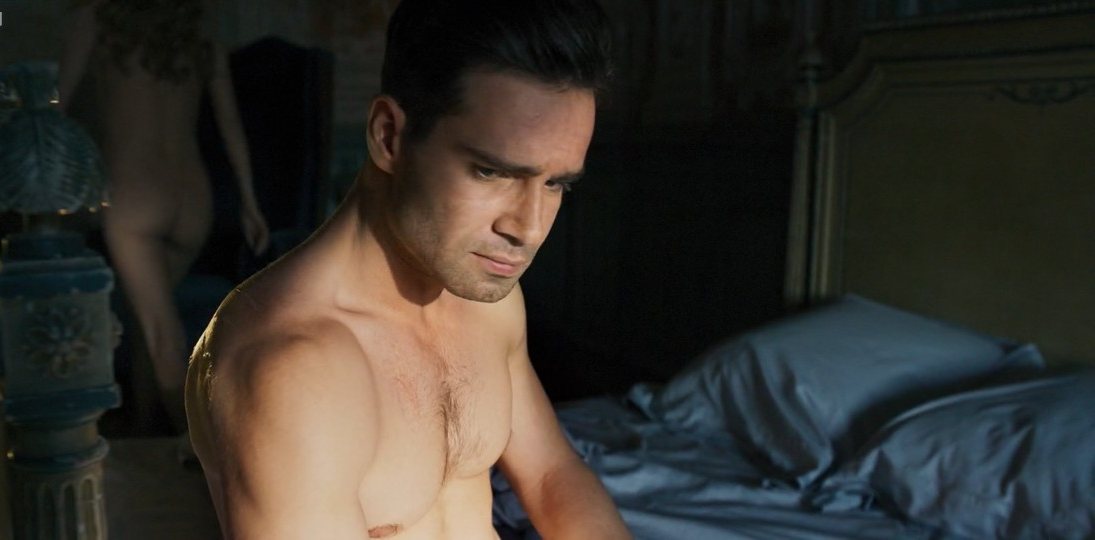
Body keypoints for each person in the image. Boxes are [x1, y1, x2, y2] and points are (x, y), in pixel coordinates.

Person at [185, 0, 631, 537]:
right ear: (388, 137)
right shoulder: (295, 367)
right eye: (490, 172)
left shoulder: (485, 299)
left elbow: (552, 477)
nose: (529, 229)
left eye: (555, 183)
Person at [59, 0, 270, 431]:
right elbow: (231, 126)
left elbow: (55, 104)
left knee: (161, 334)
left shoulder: (96, 17)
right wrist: (250, 203)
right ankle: (148, 433)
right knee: (149, 323)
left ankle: (206, 452)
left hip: (136, 197)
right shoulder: (198, 32)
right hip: (193, 201)